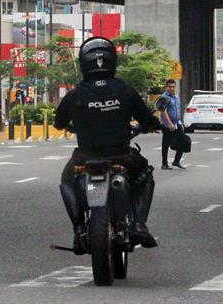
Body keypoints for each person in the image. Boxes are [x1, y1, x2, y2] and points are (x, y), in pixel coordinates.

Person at [53, 37, 161, 254]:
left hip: (85, 157)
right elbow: (148, 120)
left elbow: (59, 123)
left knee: (67, 180)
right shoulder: (124, 90)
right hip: (122, 157)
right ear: (113, 61)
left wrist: (75, 125)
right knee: (145, 175)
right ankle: (139, 223)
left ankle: (79, 228)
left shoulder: (76, 94)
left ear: (84, 63)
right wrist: (152, 125)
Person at [157, 78, 185, 170]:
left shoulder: (176, 97)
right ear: (166, 87)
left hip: (177, 123)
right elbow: (163, 111)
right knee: (166, 144)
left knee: (183, 141)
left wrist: (180, 123)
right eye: (170, 87)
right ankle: (164, 164)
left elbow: (177, 110)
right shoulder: (164, 97)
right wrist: (169, 124)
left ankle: (176, 161)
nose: (171, 88)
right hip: (167, 125)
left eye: (173, 87)